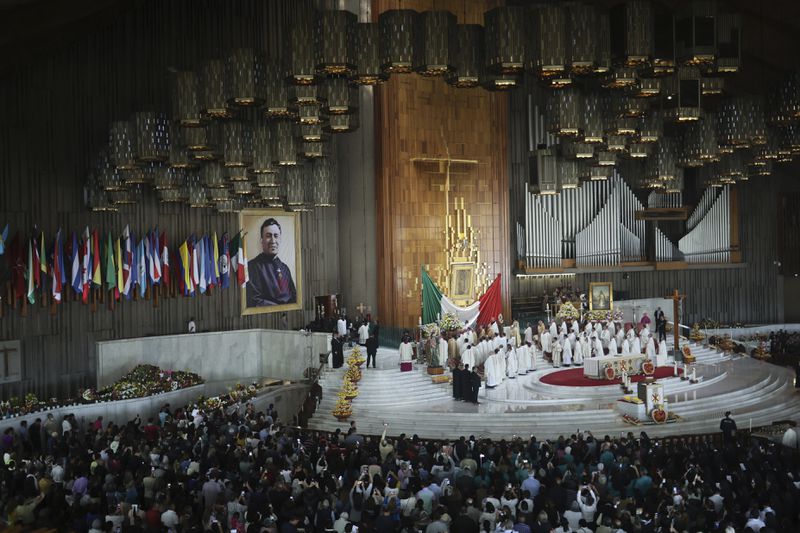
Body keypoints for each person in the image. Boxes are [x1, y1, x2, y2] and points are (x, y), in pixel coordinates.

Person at [246, 217, 297, 307]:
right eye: (268, 236)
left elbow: (294, 297)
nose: (273, 241)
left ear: (280, 239)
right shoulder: (253, 266)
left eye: (276, 236)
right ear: (262, 241)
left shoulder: (285, 268)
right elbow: (255, 301)